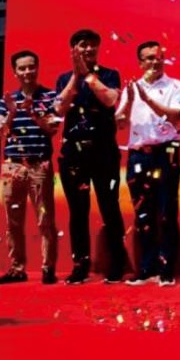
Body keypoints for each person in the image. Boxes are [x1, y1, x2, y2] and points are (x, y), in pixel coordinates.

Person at [53, 30, 126, 284]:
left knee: (110, 207)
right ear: (73, 49)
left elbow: (110, 100)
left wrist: (89, 76)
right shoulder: (64, 79)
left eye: (93, 45)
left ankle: (117, 263)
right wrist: (76, 76)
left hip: (104, 151)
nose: (89, 49)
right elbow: (59, 108)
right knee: (78, 211)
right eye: (83, 45)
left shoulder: (109, 74)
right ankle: (80, 265)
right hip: (74, 154)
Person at [115, 41, 180, 286]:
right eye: (149, 58)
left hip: (166, 152)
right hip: (139, 155)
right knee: (143, 214)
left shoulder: (176, 86)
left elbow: (176, 116)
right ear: (140, 62)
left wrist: (148, 100)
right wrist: (131, 100)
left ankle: (166, 270)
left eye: (158, 57)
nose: (155, 62)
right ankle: (146, 269)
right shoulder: (132, 88)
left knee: (166, 212)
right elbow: (120, 122)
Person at [0, 50, 59, 284]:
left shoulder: (50, 96)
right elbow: (0, 130)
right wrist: (12, 112)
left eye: (31, 66)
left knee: (45, 219)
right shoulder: (7, 99)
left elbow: (52, 129)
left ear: (37, 68)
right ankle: (16, 268)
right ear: (15, 72)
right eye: (22, 68)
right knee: (13, 221)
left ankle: (48, 268)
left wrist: (32, 111)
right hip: (12, 166)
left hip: (39, 164)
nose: (27, 72)